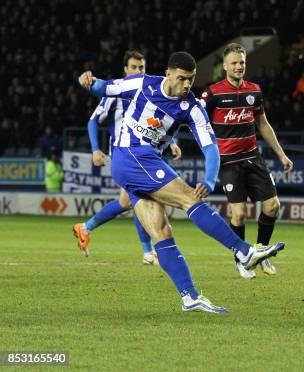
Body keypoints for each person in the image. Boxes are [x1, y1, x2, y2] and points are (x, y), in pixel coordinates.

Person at [78, 51, 284, 313]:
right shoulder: (143, 83)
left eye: (192, 79)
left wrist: (209, 180)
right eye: (183, 78)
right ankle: (243, 251)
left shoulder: (192, 107)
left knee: (162, 231)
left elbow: (210, 147)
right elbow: (106, 88)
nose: (187, 85)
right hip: (130, 154)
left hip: (142, 163)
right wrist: (89, 81)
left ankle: (190, 296)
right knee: (188, 197)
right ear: (168, 74)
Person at [72, 50, 184, 264]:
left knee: (128, 201)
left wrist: (172, 143)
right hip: (124, 155)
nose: (137, 71)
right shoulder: (117, 92)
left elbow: (156, 125)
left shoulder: (148, 91)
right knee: (140, 197)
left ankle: (85, 227)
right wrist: (96, 149)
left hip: (146, 154)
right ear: (125, 69)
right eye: (133, 67)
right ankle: (148, 251)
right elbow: (93, 121)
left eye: (141, 68)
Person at [202, 43, 293, 279]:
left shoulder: (254, 90)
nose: (239, 66)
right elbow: (198, 121)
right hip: (228, 161)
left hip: (253, 157)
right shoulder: (213, 93)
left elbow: (263, 124)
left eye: (242, 62)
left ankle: (261, 252)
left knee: (273, 206)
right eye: (234, 62)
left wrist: (281, 154)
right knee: (239, 213)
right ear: (224, 66)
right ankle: (242, 260)